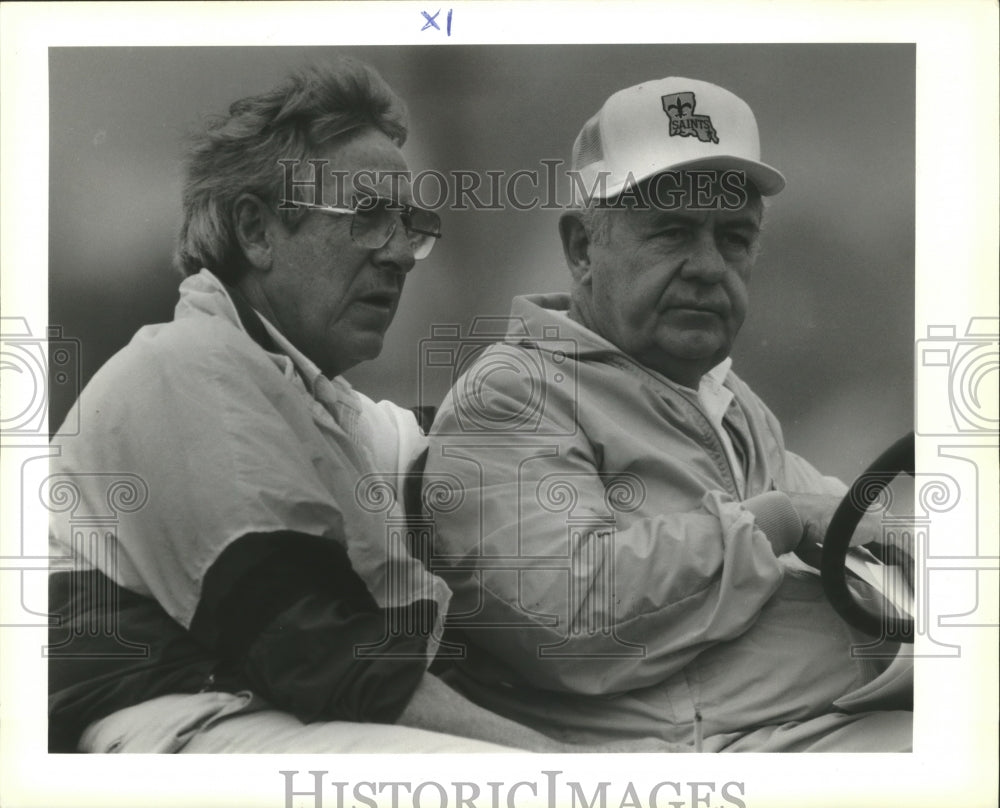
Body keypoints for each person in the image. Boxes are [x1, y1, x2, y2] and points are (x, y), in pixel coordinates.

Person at [46, 60, 678, 754]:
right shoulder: (179, 367)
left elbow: (486, 449)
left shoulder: (311, 402)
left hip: (260, 712)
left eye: (410, 225)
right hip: (161, 722)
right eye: (370, 218)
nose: (403, 255)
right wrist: (559, 763)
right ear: (256, 231)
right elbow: (320, 654)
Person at [422, 76, 913, 752]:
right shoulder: (512, 395)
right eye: (672, 232)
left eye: (735, 238)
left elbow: (853, 519)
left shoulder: (730, 403)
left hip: (830, 722)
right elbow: (569, 620)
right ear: (581, 249)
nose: (710, 267)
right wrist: (774, 521)